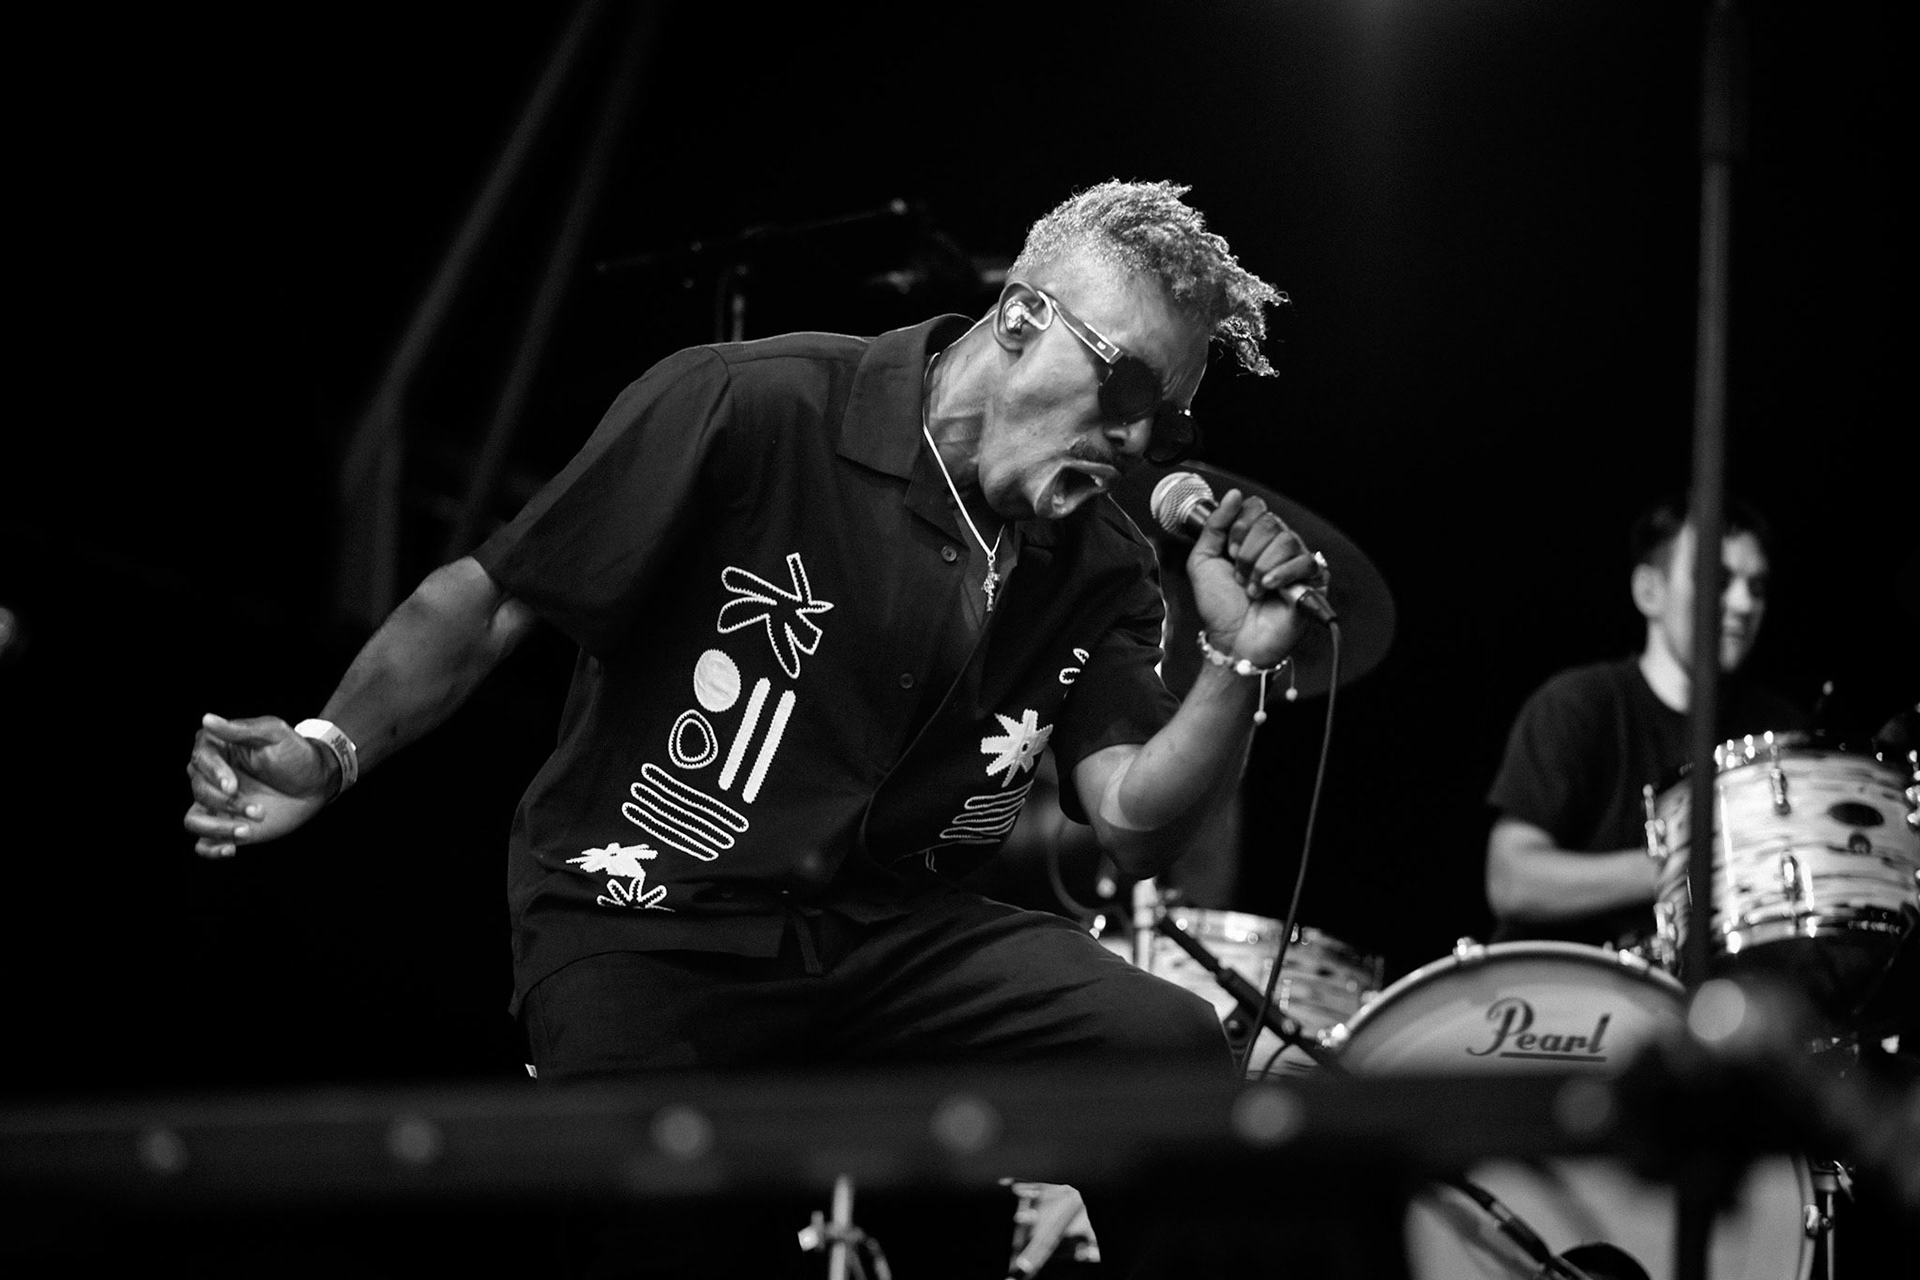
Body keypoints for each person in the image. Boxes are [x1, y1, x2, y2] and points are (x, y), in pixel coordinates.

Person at [183, 180, 1313, 1277]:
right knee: (676, 1236)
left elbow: (1131, 819)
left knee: (1161, 1042)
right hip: (653, 920)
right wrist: (330, 747)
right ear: (1021, 316)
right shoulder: (755, 403)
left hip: (888, 939)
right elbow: (491, 599)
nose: (1138, 439)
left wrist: (1236, 663)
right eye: (1124, 390)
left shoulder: (1101, 564)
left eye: (1170, 418)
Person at [1483, 493, 1808, 951]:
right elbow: (1511, 879)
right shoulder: (1580, 705)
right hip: (1570, 1005)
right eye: (1718, 580)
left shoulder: (1778, 729)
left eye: (1757, 587)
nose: (1742, 603)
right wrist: (1682, 868)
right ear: (1649, 591)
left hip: (1717, 1005)